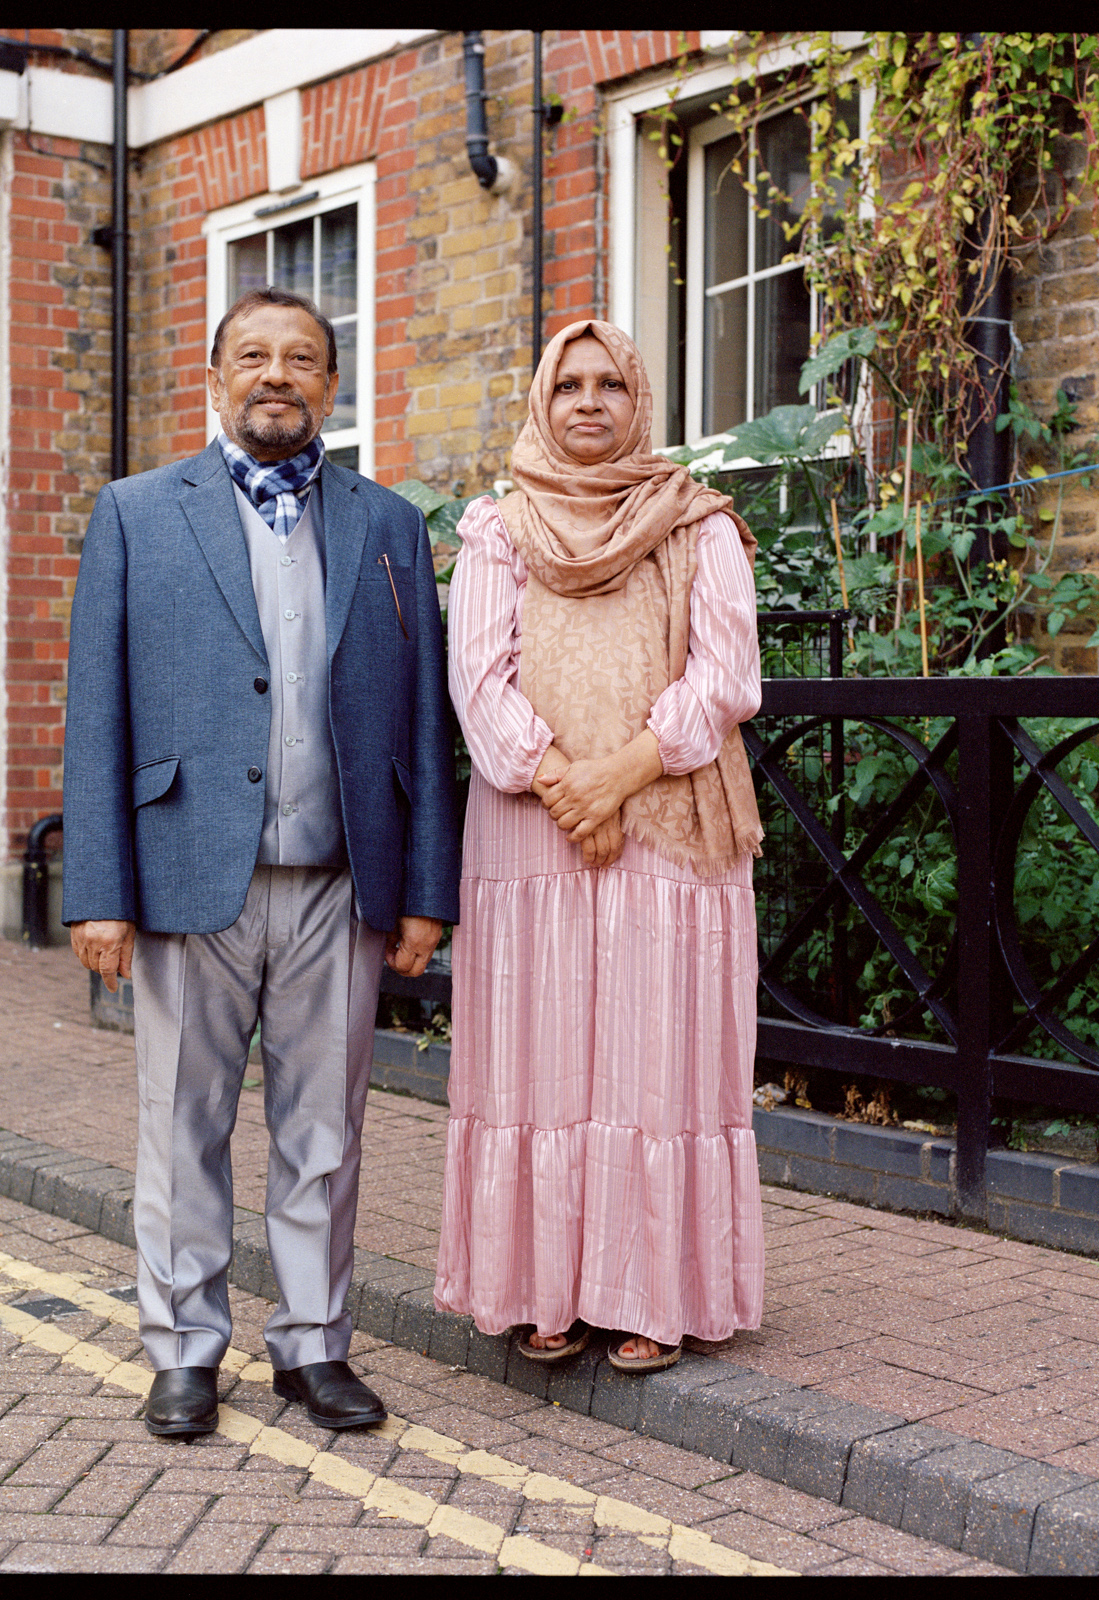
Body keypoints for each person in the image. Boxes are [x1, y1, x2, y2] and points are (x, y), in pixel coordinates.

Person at [62, 286, 459, 1437]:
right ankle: (184, 1348)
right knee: (180, 1125)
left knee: (322, 1130)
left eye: (301, 360)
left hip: (341, 881)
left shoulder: (388, 525)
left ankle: (313, 1346)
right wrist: (100, 891)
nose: (275, 375)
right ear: (216, 378)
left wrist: (424, 892)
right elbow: (97, 714)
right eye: (253, 357)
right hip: (188, 875)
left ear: (331, 387)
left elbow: (424, 724)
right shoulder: (137, 513)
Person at [434, 318, 765, 1373]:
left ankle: (652, 1294)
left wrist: (622, 773)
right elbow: (476, 683)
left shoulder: (698, 523)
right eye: (568, 384)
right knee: (541, 1058)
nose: (588, 401)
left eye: (610, 383)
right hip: (530, 834)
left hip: (665, 824)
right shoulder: (497, 527)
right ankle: (546, 1287)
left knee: (652, 1060)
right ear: (542, 399)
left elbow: (726, 676)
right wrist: (560, 782)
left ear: (640, 402)